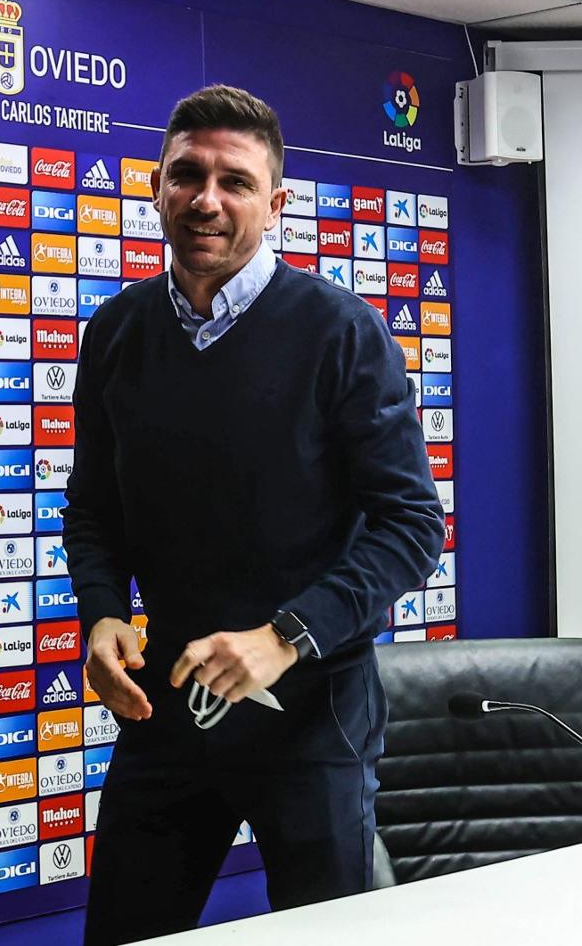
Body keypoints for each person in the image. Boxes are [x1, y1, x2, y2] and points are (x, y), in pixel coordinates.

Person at [63, 85, 445, 945]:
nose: (206, 199)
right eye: (186, 175)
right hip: (169, 713)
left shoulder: (339, 331)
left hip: (314, 717)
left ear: (275, 203)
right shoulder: (116, 332)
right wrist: (102, 614)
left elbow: (412, 525)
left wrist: (285, 636)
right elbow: (93, 508)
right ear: (155, 188)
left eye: (234, 181)